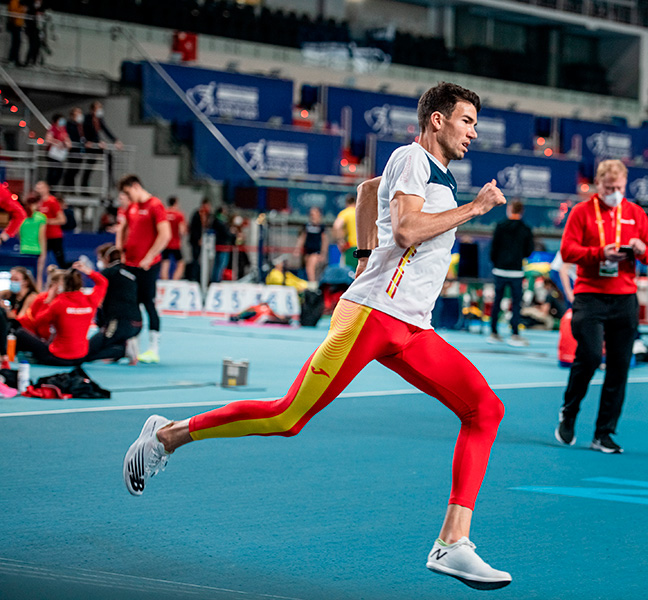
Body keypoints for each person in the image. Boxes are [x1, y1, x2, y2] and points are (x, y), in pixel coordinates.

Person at [123, 82, 512, 590]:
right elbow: (410, 230)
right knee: (288, 418)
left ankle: (453, 543)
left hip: (412, 326)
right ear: (437, 120)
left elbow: (367, 192)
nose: (473, 133)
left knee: (485, 409)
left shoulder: (426, 171)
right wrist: (475, 209)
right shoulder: (412, 158)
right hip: (371, 318)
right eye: (466, 121)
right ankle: (167, 435)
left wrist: (364, 257)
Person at [555, 159, 648, 454]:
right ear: (598, 185)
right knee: (588, 356)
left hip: (624, 299)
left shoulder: (635, 213)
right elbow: (567, 251)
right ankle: (570, 409)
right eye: (608, 187)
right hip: (590, 296)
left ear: (625, 185)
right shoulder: (581, 212)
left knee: (619, 368)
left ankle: (604, 432)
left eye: (619, 187)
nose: (613, 192)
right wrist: (600, 253)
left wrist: (642, 250)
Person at [116, 174, 171, 364]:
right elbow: (125, 230)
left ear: (136, 186)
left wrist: (149, 256)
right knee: (130, 305)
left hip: (147, 265)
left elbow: (165, 235)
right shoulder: (132, 207)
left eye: (128, 192)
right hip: (130, 263)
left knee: (148, 303)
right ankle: (132, 349)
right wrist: (121, 251)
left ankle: (153, 349)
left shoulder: (155, 205)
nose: (127, 198)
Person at [16, 262, 107, 365]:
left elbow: (38, 321)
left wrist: (49, 300)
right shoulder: (91, 300)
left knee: (19, 333)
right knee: (103, 333)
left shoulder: (59, 302)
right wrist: (88, 271)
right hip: (81, 357)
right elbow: (103, 282)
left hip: (58, 358)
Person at [487, 200, 534, 346]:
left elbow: (493, 249)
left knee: (497, 301)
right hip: (516, 272)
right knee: (516, 303)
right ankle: (514, 334)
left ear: (509, 209)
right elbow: (528, 251)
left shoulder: (500, 226)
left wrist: (497, 263)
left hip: (500, 270)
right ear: (522, 211)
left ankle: (493, 332)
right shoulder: (526, 229)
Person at [85, 244, 141, 364]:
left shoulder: (108, 273)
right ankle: (120, 348)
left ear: (107, 258)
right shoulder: (130, 273)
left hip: (119, 323)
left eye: (100, 258)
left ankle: (122, 350)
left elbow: (99, 300)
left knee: (84, 353)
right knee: (105, 341)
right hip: (137, 322)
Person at [82, 101, 123, 192]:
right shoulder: (86, 119)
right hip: (90, 146)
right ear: (93, 110)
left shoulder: (99, 120)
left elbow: (106, 130)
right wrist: (94, 142)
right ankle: (84, 185)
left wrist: (116, 140)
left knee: (108, 156)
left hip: (96, 145)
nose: (100, 111)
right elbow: (85, 132)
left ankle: (111, 179)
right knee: (89, 165)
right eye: (98, 109)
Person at [35, 180, 68, 268]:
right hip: (42, 236)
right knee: (39, 259)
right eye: (37, 188)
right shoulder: (38, 203)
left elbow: (62, 220)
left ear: (47, 188)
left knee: (60, 261)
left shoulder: (52, 201)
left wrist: (46, 221)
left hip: (54, 236)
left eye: (41, 187)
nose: (39, 190)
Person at [18, 192, 47, 289]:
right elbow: (41, 237)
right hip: (36, 250)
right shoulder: (41, 218)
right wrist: (43, 253)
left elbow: (18, 233)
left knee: (23, 276)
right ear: (38, 202)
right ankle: (37, 298)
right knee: (37, 276)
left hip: (24, 249)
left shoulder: (21, 216)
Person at [295, 206, 327, 285]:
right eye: (311, 214)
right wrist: (297, 249)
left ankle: (313, 284)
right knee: (308, 268)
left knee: (311, 267)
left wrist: (323, 253)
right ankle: (313, 282)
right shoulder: (307, 226)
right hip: (307, 251)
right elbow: (302, 238)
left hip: (316, 251)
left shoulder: (321, 227)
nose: (312, 215)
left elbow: (324, 241)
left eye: (314, 214)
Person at [162, 196, 187, 281]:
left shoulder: (164, 213)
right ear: (176, 203)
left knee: (165, 262)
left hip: (165, 243)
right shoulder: (179, 215)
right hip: (175, 243)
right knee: (180, 263)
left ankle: (164, 280)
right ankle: (175, 280)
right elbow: (181, 230)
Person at [188, 198, 211, 282]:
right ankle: (193, 277)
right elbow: (194, 228)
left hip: (201, 241)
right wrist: (198, 239)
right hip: (196, 241)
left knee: (200, 260)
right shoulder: (197, 214)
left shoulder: (207, 215)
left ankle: (199, 277)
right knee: (195, 259)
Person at [62, 107, 86, 191]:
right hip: (73, 150)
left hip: (80, 151)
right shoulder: (69, 124)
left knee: (76, 170)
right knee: (71, 169)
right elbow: (70, 136)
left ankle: (70, 187)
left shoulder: (81, 125)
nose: (80, 115)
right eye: (77, 114)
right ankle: (67, 187)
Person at [44, 114, 71, 187]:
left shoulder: (63, 129)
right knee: (52, 171)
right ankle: (49, 186)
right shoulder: (52, 129)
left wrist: (66, 144)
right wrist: (57, 142)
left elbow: (67, 140)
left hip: (59, 154)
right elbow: (48, 139)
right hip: (52, 154)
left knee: (60, 171)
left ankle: (54, 186)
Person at [333, 194, 357, 270]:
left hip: (351, 247)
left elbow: (337, 225)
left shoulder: (345, 213)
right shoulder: (361, 212)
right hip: (364, 247)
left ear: (346, 203)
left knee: (349, 272)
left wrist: (340, 240)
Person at [7, 0, 25, 66]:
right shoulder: (14, 1)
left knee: (17, 42)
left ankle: (16, 59)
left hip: (19, 24)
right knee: (15, 42)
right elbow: (13, 11)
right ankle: (12, 59)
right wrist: (21, 9)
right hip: (14, 24)